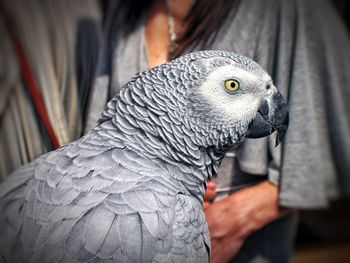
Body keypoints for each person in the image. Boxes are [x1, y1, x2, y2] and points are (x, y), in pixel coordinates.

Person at [86, 0, 350, 262]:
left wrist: (227, 223)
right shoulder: (124, 10)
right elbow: (104, 132)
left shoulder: (287, 8)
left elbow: (337, 152)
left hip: (245, 250)